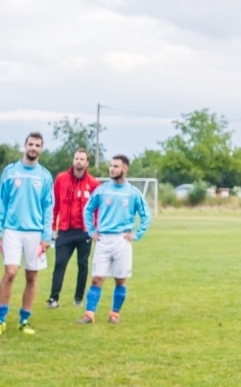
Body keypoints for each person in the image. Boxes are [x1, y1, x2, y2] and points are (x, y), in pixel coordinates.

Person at [77, 155, 151, 325]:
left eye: (116, 166)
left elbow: (146, 215)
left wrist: (137, 234)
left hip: (122, 240)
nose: (112, 169)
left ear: (125, 169)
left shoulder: (132, 192)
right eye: (111, 166)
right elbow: (88, 210)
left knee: (120, 279)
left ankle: (114, 314)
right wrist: (91, 231)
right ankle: (89, 314)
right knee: (97, 278)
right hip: (103, 239)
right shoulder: (103, 190)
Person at [0, 132, 54, 336]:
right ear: (25, 145)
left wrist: (46, 236)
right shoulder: (10, 171)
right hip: (12, 230)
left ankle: (24, 320)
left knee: (32, 276)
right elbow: (2, 201)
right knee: (11, 272)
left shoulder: (44, 175)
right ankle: (1, 318)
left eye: (37, 145)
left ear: (41, 148)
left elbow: (48, 206)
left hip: (35, 232)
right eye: (30, 144)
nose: (33, 148)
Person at [46, 148, 99, 309]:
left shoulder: (93, 183)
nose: (79, 161)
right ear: (73, 160)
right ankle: (53, 298)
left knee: (83, 265)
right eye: (76, 158)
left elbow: (97, 209)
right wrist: (52, 226)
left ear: (87, 162)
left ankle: (78, 298)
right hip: (65, 231)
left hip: (84, 232)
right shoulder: (61, 179)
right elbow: (54, 205)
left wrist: (94, 228)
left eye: (82, 159)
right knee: (60, 263)